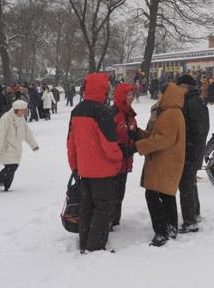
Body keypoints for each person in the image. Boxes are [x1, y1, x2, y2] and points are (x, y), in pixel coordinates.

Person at [66, 73, 123, 253]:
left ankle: (85, 243)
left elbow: (71, 143)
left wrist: (75, 167)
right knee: (103, 207)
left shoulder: (77, 111)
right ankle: (95, 247)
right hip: (103, 170)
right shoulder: (101, 112)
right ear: (103, 90)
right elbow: (110, 146)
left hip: (84, 169)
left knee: (88, 207)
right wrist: (120, 156)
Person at [135, 82, 186, 247]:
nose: (158, 96)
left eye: (160, 93)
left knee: (153, 195)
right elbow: (157, 134)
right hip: (167, 161)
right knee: (166, 195)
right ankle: (170, 229)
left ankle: (162, 232)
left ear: (168, 95)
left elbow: (163, 139)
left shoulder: (171, 113)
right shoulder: (170, 112)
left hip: (164, 161)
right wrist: (140, 134)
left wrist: (140, 146)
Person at [174, 74, 209, 233]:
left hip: (191, 151)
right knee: (190, 184)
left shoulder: (193, 103)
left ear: (186, 88)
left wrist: (188, 147)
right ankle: (195, 214)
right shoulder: (193, 101)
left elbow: (198, 130)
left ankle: (190, 221)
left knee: (186, 185)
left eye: (179, 87)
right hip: (193, 150)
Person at [109, 83, 138, 228]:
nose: (132, 98)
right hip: (113, 163)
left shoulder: (130, 114)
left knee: (120, 193)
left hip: (125, 162)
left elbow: (130, 132)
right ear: (121, 95)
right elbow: (108, 138)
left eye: (133, 95)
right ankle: (108, 223)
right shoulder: (113, 113)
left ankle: (115, 220)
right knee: (111, 195)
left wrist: (136, 138)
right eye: (129, 95)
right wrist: (121, 148)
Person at [0, 100, 39, 191]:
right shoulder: (6, 118)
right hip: (6, 147)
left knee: (13, 166)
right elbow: (0, 134)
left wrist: (34, 145)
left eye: (24, 110)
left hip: (16, 147)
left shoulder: (21, 119)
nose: (23, 112)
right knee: (12, 166)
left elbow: (27, 133)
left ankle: (5, 186)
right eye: (21, 110)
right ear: (15, 109)